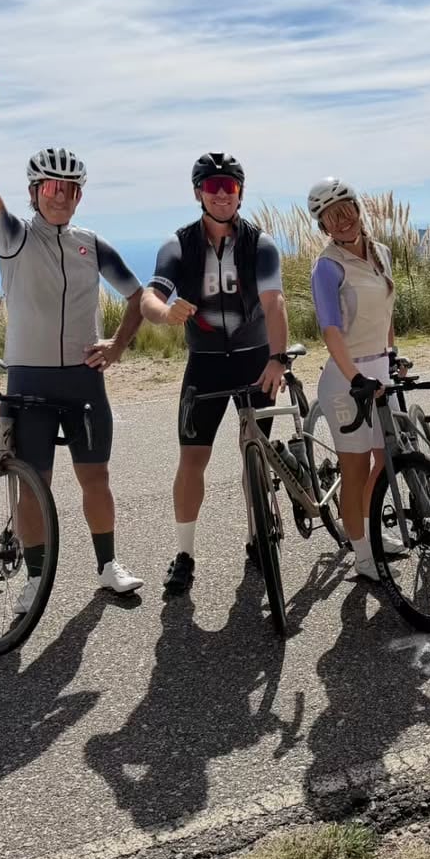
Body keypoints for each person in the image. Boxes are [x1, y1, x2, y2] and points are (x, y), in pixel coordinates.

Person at [0, 62, 146, 611]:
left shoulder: (92, 243)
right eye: (52, 187)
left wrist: (118, 344)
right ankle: (35, 579)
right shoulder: (14, 237)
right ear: (36, 191)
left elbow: (136, 297)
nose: (61, 196)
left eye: (71, 189)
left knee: (96, 479)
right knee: (29, 485)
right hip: (30, 380)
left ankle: (108, 566)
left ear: (79, 196)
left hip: (83, 380)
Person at [142, 153, 288, 596]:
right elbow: (151, 296)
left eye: (230, 186)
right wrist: (166, 313)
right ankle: (184, 553)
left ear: (240, 192)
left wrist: (277, 359)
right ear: (198, 194)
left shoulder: (259, 244)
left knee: (256, 454)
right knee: (192, 460)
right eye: (213, 187)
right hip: (204, 365)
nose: (222, 194)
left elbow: (274, 304)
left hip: (253, 358)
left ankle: (256, 537)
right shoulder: (179, 244)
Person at [307, 177, 399, 582]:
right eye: (332, 217)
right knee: (356, 466)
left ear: (360, 210)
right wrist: (356, 376)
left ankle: (370, 532)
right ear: (324, 226)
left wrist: (393, 355)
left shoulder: (381, 253)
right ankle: (362, 554)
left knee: (387, 459)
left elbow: (387, 312)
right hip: (347, 378)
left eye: (347, 212)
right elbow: (330, 330)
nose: (343, 222)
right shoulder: (327, 267)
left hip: (380, 368)